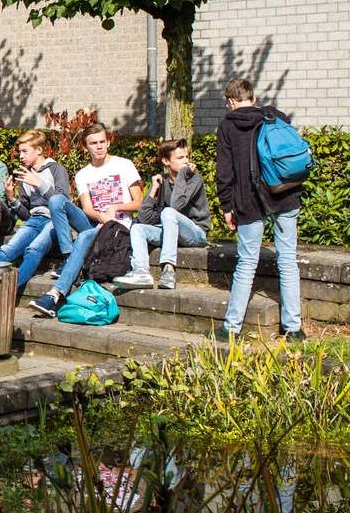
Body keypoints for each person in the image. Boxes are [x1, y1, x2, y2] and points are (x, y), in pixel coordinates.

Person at [214, 78, 304, 342]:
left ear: (231, 101)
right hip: (285, 194)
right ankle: (293, 328)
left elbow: (224, 172)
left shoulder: (227, 126)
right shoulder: (275, 116)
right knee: (288, 259)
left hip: (248, 200)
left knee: (247, 262)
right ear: (253, 98)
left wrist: (227, 206)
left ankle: (231, 328)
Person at [28, 123, 142, 317]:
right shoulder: (83, 174)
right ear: (85, 147)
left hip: (119, 227)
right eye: (93, 143)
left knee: (84, 237)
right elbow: (87, 208)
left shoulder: (124, 165)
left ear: (108, 142)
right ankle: (67, 255)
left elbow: (139, 202)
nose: (99, 146)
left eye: (102, 142)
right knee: (57, 200)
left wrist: (115, 208)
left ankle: (54, 295)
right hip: (96, 222)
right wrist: (100, 217)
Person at [112, 139, 211, 290]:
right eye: (180, 158)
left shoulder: (194, 179)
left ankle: (169, 270)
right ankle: (141, 272)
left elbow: (176, 206)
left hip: (195, 234)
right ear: (166, 161)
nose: (186, 161)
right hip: (172, 232)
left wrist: (183, 175)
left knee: (168, 212)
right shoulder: (161, 181)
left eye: (186, 157)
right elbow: (145, 218)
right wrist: (153, 190)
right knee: (138, 228)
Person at [0, 130, 71, 293]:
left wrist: (39, 183)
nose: (20, 156)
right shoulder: (24, 176)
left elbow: (63, 201)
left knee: (33, 249)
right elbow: (26, 214)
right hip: (34, 220)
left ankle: (8, 291)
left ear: (39, 150)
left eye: (24, 151)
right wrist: (12, 199)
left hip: (55, 221)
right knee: (7, 250)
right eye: (20, 151)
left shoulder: (56, 170)